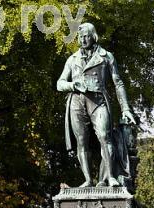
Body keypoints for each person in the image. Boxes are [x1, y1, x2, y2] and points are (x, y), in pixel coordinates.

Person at [57, 22, 136, 188]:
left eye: (86, 36)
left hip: (98, 100)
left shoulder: (106, 56)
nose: (83, 40)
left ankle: (111, 177)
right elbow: (60, 83)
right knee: (81, 142)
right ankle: (87, 180)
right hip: (77, 102)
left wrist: (126, 108)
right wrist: (73, 85)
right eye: (80, 37)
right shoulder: (72, 59)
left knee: (104, 137)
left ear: (93, 36)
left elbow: (118, 83)